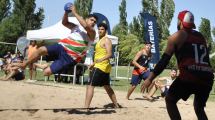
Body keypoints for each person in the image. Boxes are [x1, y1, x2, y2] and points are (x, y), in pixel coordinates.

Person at [141, 10, 214, 120]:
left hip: (189, 76)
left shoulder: (176, 36)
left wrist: (150, 78)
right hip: (207, 77)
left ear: (180, 22)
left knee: (170, 100)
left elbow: (164, 61)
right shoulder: (200, 36)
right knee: (199, 108)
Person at [11, 5, 97, 76]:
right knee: (41, 49)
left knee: (46, 73)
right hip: (61, 47)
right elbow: (64, 23)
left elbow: (86, 26)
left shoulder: (92, 33)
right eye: (91, 20)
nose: (93, 22)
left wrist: (74, 12)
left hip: (70, 58)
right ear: (86, 19)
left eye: (95, 22)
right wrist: (66, 12)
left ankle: (45, 66)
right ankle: (24, 64)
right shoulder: (77, 26)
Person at [84, 23, 119, 110]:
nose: (100, 30)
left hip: (100, 66)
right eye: (99, 29)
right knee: (107, 86)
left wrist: (100, 60)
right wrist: (93, 64)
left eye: (102, 29)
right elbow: (98, 56)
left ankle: (86, 107)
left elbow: (110, 54)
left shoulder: (106, 40)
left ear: (105, 31)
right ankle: (116, 105)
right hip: (101, 66)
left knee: (90, 86)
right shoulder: (99, 41)